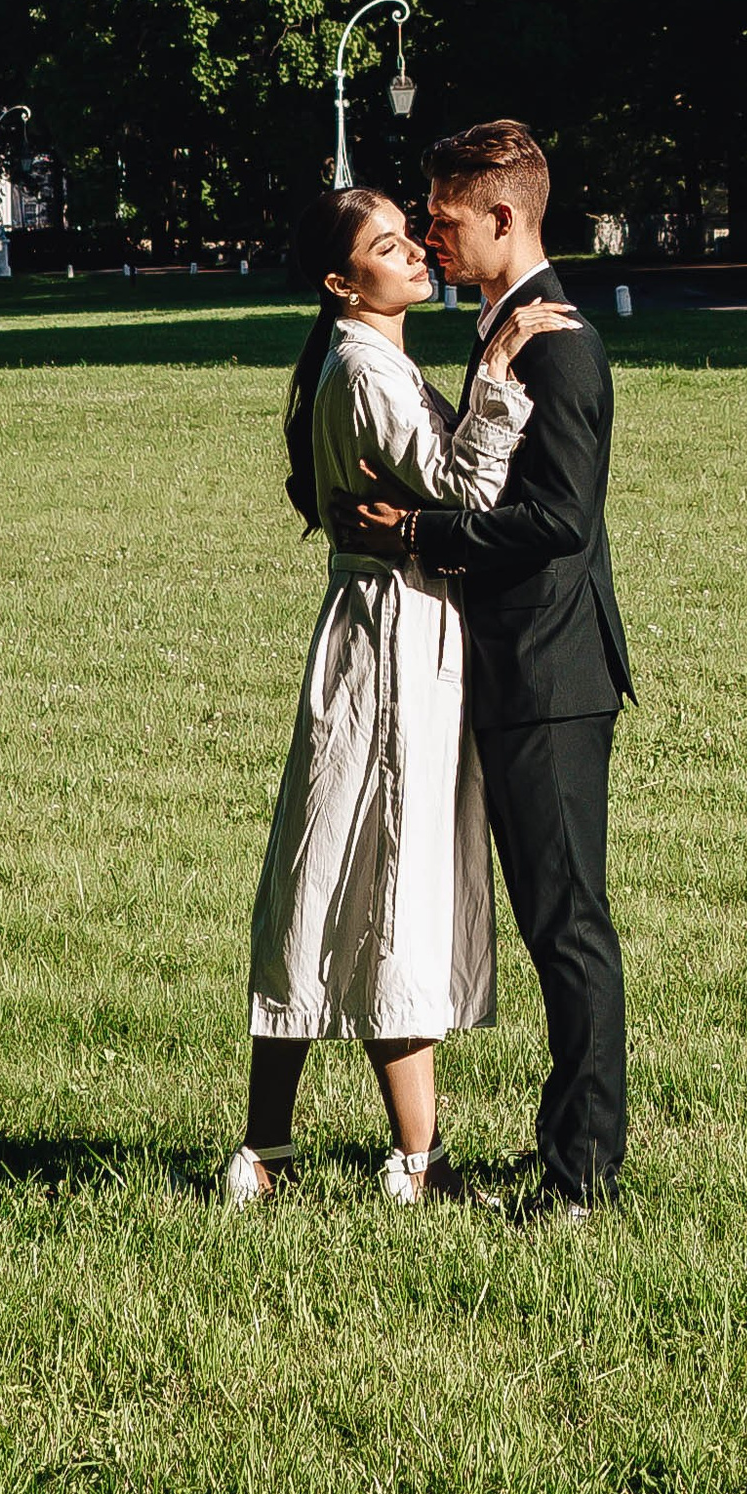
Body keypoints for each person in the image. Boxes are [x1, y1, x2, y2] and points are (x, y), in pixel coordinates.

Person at [223, 186, 570, 1209]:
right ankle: (404, 1164)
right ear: (343, 282)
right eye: (387, 246)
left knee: (337, 875)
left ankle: (283, 1153)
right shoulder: (366, 368)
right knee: (382, 881)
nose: (416, 251)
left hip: (388, 627)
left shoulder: (365, 360)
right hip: (392, 639)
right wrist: (500, 379)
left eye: (410, 236)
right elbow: (464, 495)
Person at [333, 118, 631, 1220]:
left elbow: (554, 519)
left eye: (447, 222)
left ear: (504, 216)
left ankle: (580, 1178)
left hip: (552, 677)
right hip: (516, 669)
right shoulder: (507, 330)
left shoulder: (558, 341)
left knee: (567, 928)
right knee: (556, 923)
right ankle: (569, 1152)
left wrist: (416, 535)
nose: (434, 240)